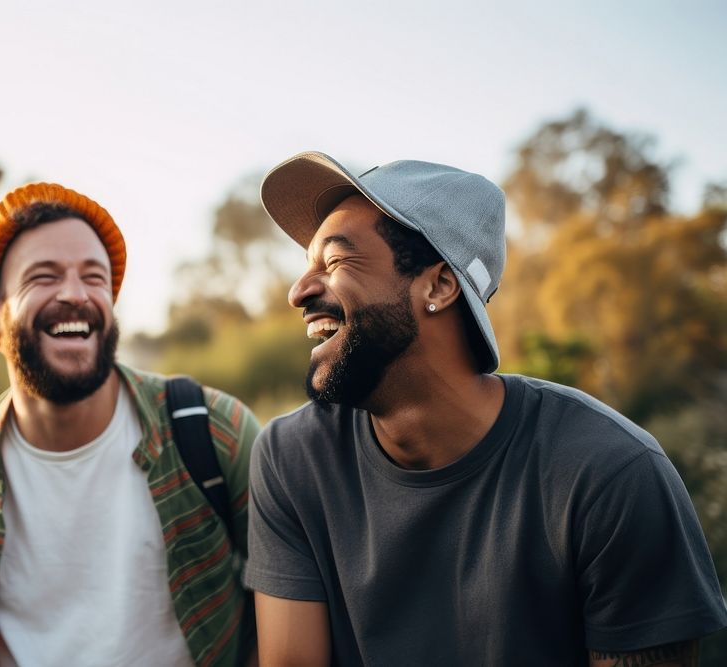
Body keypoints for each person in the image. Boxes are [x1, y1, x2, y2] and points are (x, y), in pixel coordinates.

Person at [243, 151, 727, 666]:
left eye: (336, 261)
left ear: (439, 285)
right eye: (307, 267)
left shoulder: (608, 473)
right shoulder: (292, 457)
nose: (299, 292)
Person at [0, 182, 259, 667]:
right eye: (43, 276)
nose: (76, 294)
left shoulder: (211, 431)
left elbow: (289, 617)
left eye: (95, 277)